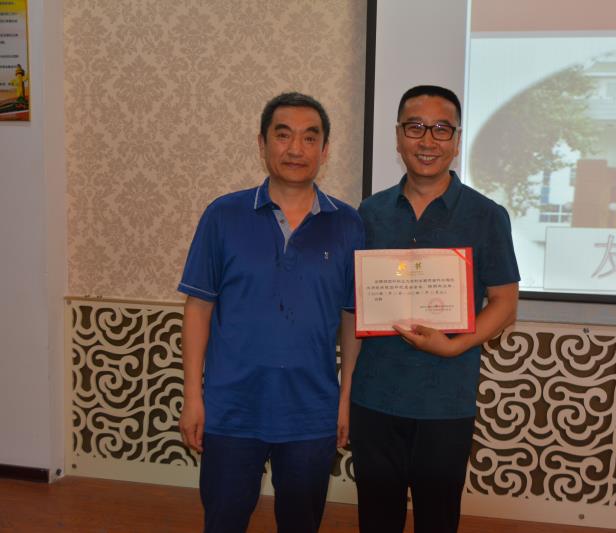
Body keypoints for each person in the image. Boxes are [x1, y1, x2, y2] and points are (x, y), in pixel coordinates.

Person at [177, 92, 364, 533]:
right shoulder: (223, 215)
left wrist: (345, 399)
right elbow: (198, 308)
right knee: (223, 522)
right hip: (231, 408)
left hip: (311, 412)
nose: (296, 149)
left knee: (301, 524)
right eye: (283, 136)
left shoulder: (348, 224)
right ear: (262, 143)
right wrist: (193, 396)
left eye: (309, 138)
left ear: (325, 150)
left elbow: (352, 318)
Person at [346, 85, 520, 533]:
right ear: (398, 136)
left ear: (457, 140)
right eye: (415, 127)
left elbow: (505, 304)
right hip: (374, 397)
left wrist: (453, 346)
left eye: (442, 129)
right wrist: (345, 395)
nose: (428, 140)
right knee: (376, 520)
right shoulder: (369, 213)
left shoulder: (486, 215)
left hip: (446, 400)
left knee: (438, 520)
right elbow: (353, 310)